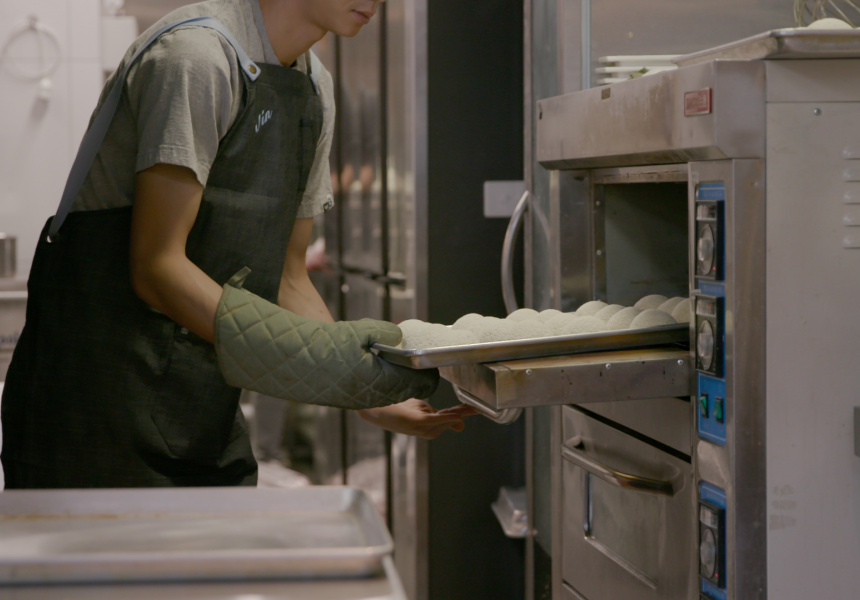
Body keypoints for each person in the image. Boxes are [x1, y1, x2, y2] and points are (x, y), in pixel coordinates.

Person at [0, 0, 476, 489]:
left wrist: (361, 393)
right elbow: (157, 268)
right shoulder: (196, 58)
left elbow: (288, 277)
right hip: (95, 413)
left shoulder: (314, 87)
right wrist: (341, 372)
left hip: (200, 409)